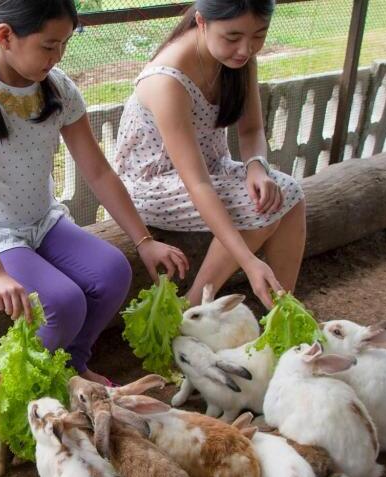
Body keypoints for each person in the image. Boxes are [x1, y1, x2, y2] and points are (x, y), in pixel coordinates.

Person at [0, 0, 188, 386]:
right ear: (5, 36)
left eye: (64, 45)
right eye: (49, 45)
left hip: (42, 222)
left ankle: (71, 366)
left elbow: (99, 171)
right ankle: (18, 387)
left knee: (113, 272)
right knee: (64, 302)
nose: (58, 57)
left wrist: (143, 240)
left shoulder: (59, 89)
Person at [115, 0, 306, 309]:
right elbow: (198, 184)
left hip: (211, 171)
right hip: (155, 186)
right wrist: (248, 262)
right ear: (202, 22)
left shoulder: (239, 59)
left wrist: (257, 167)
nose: (246, 48)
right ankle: (191, 307)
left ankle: (284, 312)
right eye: (233, 37)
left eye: (259, 34)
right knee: (259, 207)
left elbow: (252, 131)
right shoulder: (166, 80)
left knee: (289, 194)